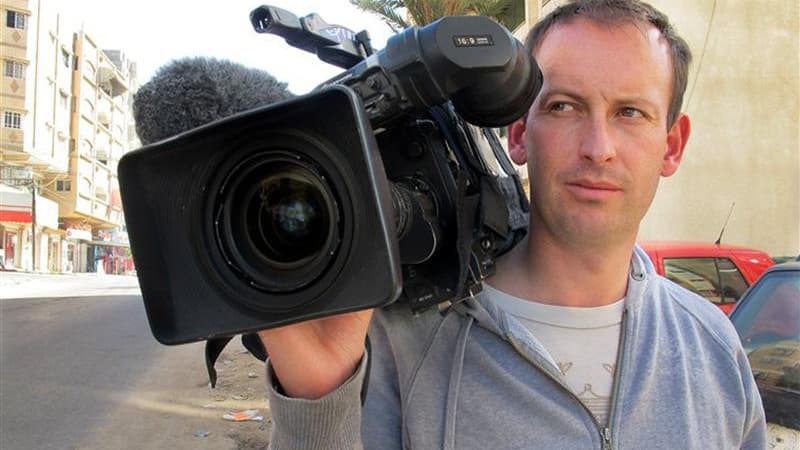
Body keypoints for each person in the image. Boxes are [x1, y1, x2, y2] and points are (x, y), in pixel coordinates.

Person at [257, 1, 767, 448]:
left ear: (672, 145)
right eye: (565, 106)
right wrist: (316, 406)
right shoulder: (400, 343)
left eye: (630, 113)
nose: (599, 148)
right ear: (519, 132)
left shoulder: (714, 348)